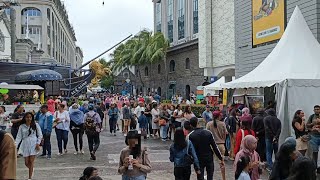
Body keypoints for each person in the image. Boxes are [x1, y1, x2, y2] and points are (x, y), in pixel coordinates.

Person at [15, 112, 43, 180]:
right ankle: (32, 169)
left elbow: (40, 135)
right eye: (27, 117)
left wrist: (38, 143)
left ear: (32, 118)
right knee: (26, 162)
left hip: (33, 143)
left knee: (31, 161)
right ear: (25, 118)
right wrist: (15, 146)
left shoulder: (35, 125)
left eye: (30, 117)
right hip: (25, 144)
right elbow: (19, 137)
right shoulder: (21, 126)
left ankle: (30, 177)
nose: (29, 118)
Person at [306, 105, 320, 173]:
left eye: (318, 109)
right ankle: (315, 168)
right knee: (315, 153)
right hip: (314, 137)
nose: (317, 110)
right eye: (315, 109)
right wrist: (312, 125)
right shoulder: (312, 116)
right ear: (313, 110)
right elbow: (307, 125)